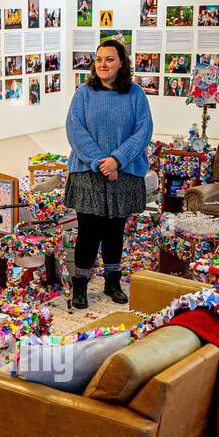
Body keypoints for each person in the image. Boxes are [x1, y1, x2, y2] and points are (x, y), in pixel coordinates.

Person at [63, 39, 153, 308]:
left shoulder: (136, 94)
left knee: (115, 230)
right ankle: (79, 284)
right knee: (89, 231)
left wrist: (117, 160)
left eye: (110, 59)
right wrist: (101, 162)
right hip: (88, 173)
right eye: (99, 59)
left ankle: (112, 281)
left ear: (122, 63)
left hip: (124, 172)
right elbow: (75, 130)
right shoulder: (83, 93)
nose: (103, 64)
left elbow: (143, 132)